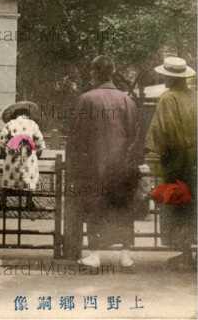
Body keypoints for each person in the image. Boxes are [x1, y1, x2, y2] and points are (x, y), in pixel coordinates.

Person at [67, 55, 139, 269]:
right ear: (113, 71)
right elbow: (136, 136)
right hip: (122, 166)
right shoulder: (128, 101)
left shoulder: (86, 99)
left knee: (95, 206)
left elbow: (76, 138)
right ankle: (126, 256)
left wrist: (73, 167)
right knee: (123, 207)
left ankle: (95, 255)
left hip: (94, 166)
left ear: (94, 73)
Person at [145, 56, 197, 269]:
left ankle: (185, 255)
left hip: (177, 161)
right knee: (194, 207)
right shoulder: (195, 96)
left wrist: (157, 152)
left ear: (170, 78)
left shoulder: (168, 99)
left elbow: (162, 132)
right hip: (195, 160)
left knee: (179, 206)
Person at [0, 101, 45, 204]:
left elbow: (2, 141)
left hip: (13, 156)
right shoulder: (33, 124)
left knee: (8, 176)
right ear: (27, 114)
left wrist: (4, 153)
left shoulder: (10, 124)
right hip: (28, 157)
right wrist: (37, 153)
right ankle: (29, 201)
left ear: (15, 114)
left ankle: (3, 200)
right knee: (30, 177)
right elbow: (39, 142)